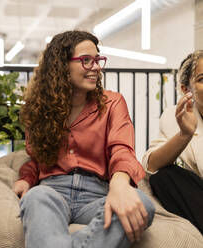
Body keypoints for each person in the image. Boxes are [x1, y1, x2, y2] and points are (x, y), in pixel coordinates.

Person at [13, 30, 155, 248]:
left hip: (97, 194)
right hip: (52, 190)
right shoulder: (39, 109)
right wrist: (26, 179)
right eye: (86, 61)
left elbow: (122, 149)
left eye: (97, 60)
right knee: (35, 197)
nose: (96, 67)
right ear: (61, 66)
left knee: (144, 204)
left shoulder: (113, 103)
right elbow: (36, 158)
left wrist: (119, 185)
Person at [142, 50, 203, 234]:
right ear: (186, 90)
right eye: (202, 79)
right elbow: (150, 165)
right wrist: (185, 134)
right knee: (164, 177)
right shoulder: (176, 115)